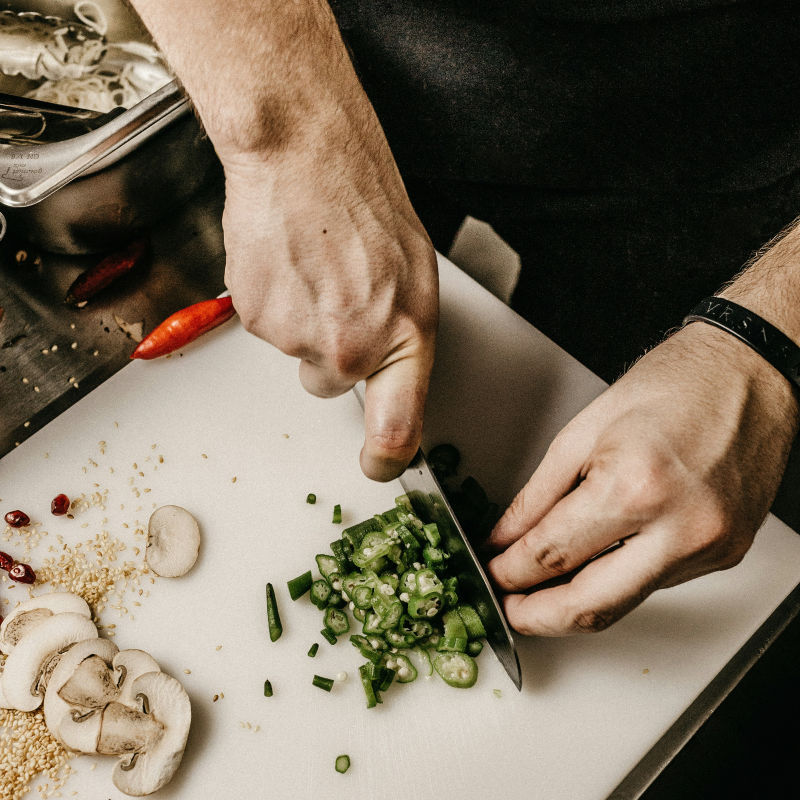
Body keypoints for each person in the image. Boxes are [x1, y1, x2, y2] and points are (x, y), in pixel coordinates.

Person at [128, 0, 800, 638]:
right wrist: (280, 133)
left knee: (627, 495)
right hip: (325, 51)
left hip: (716, 139)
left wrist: (769, 340)